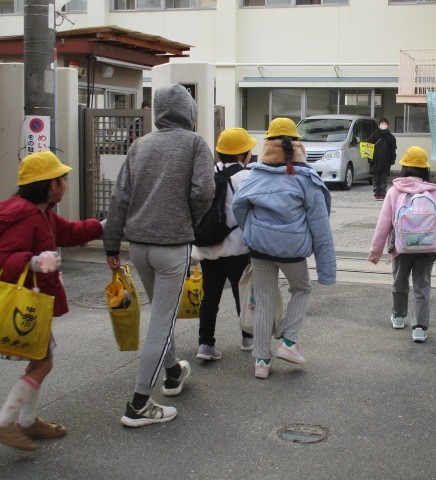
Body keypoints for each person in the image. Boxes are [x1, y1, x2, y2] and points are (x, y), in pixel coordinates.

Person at [103, 84, 216, 427]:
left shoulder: (140, 145)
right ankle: (138, 404)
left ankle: (172, 372)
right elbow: (204, 191)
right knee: (162, 323)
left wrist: (111, 245)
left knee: (160, 315)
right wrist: (188, 220)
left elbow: (119, 197)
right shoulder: (195, 143)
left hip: (138, 246)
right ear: (189, 111)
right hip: (171, 246)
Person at [0, 151, 103, 451]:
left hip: (32, 303)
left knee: (39, 360)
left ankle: (28, 421)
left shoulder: (41, 212)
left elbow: (69, 232)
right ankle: (6, 422)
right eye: (61, 178)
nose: (65, 184)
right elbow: (5, 258)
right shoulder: (26, 215)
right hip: (24, 305)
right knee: (43, 363)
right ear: (50, 184)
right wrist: (33, 262)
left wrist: (103, 225)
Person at [232, 117, 336, 379]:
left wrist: (251, 230)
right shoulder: (306, 179)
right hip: (292, 250)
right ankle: (289, 341)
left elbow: (238, 206)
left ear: (267, 144)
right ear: (297, 144)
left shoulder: (255, 175)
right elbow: (321, 227)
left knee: (264, 299)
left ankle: (261, 361)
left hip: (259, 248)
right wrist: (326, 271)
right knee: (302, 289)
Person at [368, 146, 436, 342]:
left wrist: (375, 252)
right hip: (428, 248)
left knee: (399, 282)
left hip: (401, 247)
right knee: (422, 286)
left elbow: (383, 224)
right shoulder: (433, 192)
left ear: (404, 167)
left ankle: (398, 317)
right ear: (425, 169)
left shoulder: (394, 191)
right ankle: (420, 328)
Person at [191, 128, 256, 360]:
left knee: (210, 297)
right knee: (243, 294)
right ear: (241, 155)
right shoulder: (247, 177)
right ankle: (248, 338)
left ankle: (205, 345)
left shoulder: (209, 174)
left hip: (208, 247)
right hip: (237, 248)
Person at [369, 118, 397, 201]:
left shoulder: (390, 137)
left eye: (385, 124)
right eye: (382, 124)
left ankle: (382, 194)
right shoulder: (374, 135)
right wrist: (369, 158)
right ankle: (376, 194)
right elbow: (368, 146)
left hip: (386, 161)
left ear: (387, 125)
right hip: (375, 161)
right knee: (376, 178)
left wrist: (393, 159)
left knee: (384, 178)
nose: (383, 125)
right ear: (379, 125)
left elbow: (393, 149)